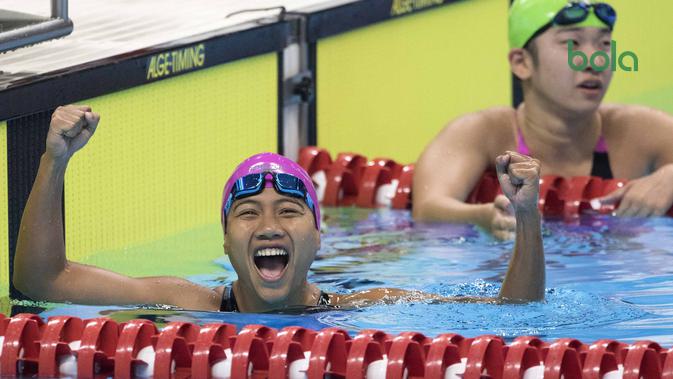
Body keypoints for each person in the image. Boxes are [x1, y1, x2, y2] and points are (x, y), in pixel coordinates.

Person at [13, 105, 545, 313]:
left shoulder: (372, 306)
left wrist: (527, 218)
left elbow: (515, 314)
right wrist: (54, 162)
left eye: (289, 211)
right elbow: (42, 282)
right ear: (225, 241)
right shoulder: (187, 303)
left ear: (319, 236)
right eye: (248, 213)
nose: (268, 225)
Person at [413, 0, 673, 240]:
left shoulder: (638, 130)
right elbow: (428, 209)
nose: (595, 60)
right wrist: (482, 218)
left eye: (605, 44)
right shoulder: (483, 133)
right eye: (572, 43)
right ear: (521, 62)